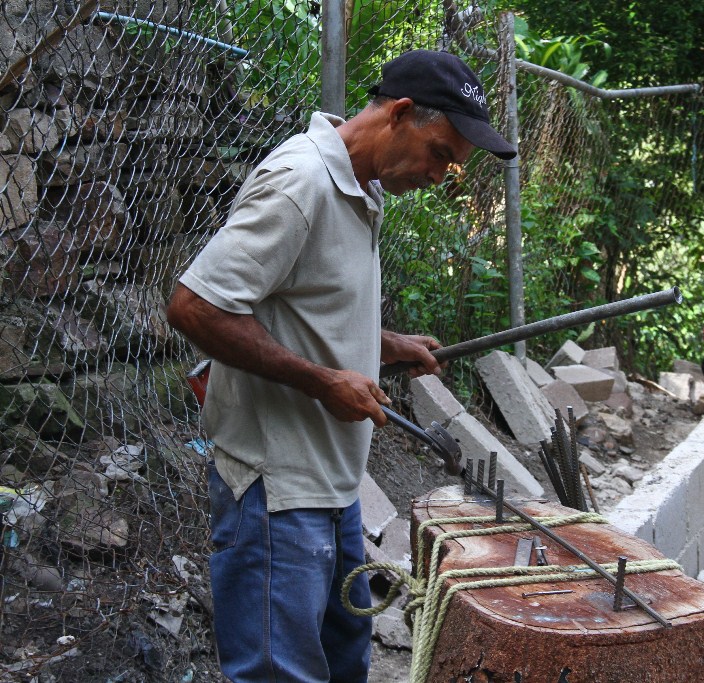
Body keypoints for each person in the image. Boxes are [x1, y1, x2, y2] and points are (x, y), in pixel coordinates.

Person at [165, 50, 516, 683]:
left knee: (343, 657)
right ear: (401, 113)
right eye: (440, 153)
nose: (442, 174)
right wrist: (325, 382)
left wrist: (385, 343)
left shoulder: (362, 190)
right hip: (278, 486)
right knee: (282, 671)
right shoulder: (302, 183)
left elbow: (301, 307)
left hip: (332, 482)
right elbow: (196, 307)